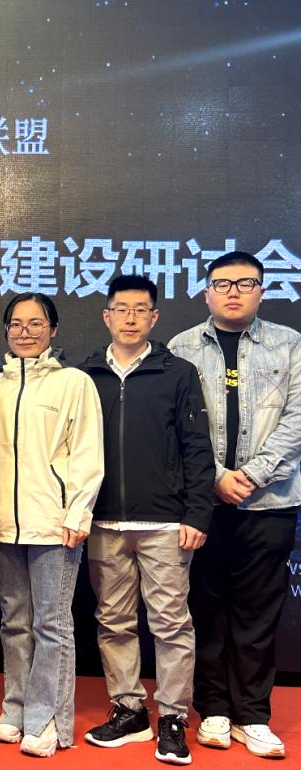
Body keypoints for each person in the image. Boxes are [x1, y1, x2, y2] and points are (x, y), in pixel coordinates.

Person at [169, 251, 300, 760]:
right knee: (205, 609)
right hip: (204, 504)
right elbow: (177, 428)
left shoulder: (290, 344)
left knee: (258, 614)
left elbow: (296, 419)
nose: (233, 292)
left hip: (271, 501)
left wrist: (252, 474)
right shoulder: (181, 348)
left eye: (246, 283)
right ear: (207, 292)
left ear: (262, 291)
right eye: (222, 283)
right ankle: (214, 709)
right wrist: (217, 478)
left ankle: (253, 715)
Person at [80, 274, 215, 766]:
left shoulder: (177, 373)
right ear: (107, 316)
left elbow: (197, 448)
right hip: (104, 522)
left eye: (141, 310)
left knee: (171, 624)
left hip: (164, 522)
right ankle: (129, 710)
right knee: (113, 622)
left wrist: (197, 512)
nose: (131, 318)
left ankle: (173, 717)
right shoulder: (86, 374)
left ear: (154, 317)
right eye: (122, 309)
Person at [0, 292, 104, 758]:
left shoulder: (73, 383)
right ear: (6, 331)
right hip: (3, 525)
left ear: (53, 330)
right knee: (14, 622)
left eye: (36, 324)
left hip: (55, 524)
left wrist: (77, 513)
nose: (25, 333)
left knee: (51, 624)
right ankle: (15, 711)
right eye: (16, 324)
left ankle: (48, 720)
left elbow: (87, 452)